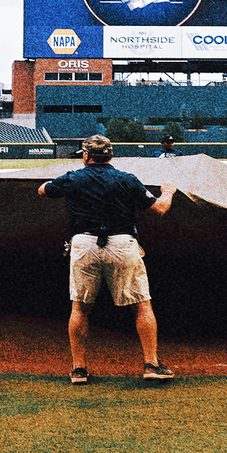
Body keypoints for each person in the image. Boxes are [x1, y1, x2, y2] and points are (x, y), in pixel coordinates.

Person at [38, 135, 177, 384]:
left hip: (84, 244)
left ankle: (79, 369)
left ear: (86, 155)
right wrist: (168, 191)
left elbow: (42, 190)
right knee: (142, 305)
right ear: (111, 155)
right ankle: (151, 365)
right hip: (122, 244)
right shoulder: (127, 179)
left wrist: (58, 182)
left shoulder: (73, 178)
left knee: (80, 307)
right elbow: (159, 209)